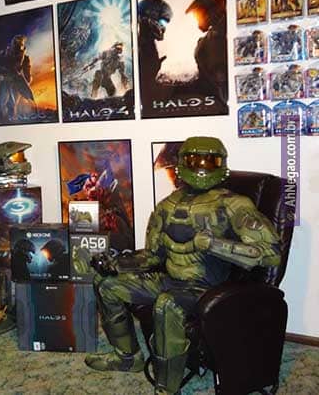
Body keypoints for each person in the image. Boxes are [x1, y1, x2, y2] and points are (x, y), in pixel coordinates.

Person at [85, 137, 281, 395]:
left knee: (167, 305)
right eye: (194, 160)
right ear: (181, 163)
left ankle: (167, 388)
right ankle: (127, 357)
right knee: (106, 284)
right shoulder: (167, 205)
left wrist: (215, 245)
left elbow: (270, 254)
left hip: (209, 288)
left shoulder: (233, 204)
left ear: (221, 164)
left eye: (210, 161)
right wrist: (117, 264)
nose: (201, 167)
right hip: (170, 279)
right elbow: (153, 256)